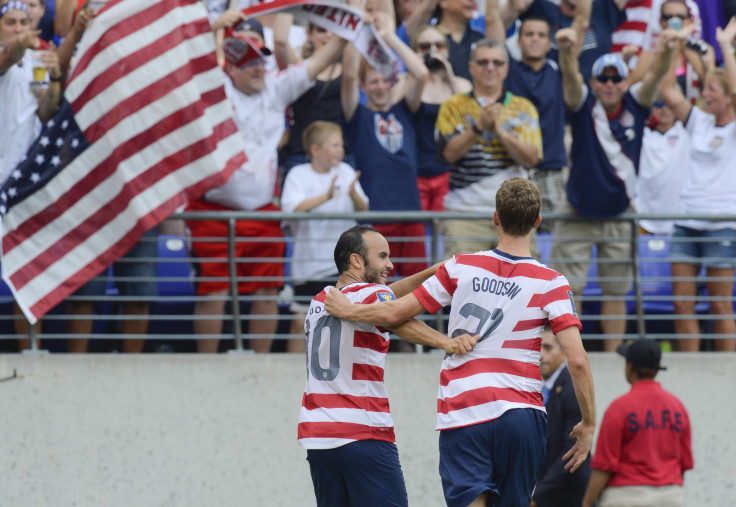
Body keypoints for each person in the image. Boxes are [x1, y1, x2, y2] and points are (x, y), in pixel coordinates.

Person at [325, 178, 596, 507]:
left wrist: (349, 309)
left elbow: (395, 313)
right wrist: (589, 422)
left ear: (495, 218)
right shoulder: (551, 282)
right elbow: (578, 360)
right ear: (538, 221)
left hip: (465, 408)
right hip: (522, 414)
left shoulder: (461, 266)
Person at [185, 16, 349, 353]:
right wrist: (215, 26)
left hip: (261, 210)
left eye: (260, 57)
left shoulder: (275, 85)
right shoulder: (212, 88)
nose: (257, 66)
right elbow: (181, 59)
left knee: (267, 290)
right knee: (213, 292)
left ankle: (261, 365)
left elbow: (319, 60)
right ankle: (205, 368)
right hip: (212, 208)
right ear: (229, 66)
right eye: (246, 61)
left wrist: (349, 28)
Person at [298, 225, 478, 507]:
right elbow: (395, 316)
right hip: (361, 430)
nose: (390, 264)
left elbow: (386, 296)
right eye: (382, 256)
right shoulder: (368, 297)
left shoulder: (321, 300)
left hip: (319, 436)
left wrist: (433, 271)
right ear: (357, 260)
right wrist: (446, 342)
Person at [549, 27, 679, 352]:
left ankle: (611, 356)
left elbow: (656, 76)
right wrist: (566, 51)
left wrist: (664, 51)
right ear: (594, 83)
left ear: (624, 82)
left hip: (620, 212)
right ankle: (567, 356)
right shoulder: (582, 105)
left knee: (616, 290)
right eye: (603, 79)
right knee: (566, 290)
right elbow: (568, 77)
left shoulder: (636, 103)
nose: (609, 84)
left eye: (616, 78)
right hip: (577, 208)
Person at [658, 17, 736, 352]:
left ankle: (727, 372)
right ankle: (691, 371)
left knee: (720, 305)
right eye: (704, 89)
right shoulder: (698, 121)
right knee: (682, 303)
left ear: (728, 97)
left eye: (711, 90)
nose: (704, 95)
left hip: (722, 225)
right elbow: (665, 90)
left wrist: (725, 48)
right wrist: (674, 46)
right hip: (686, 222)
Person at [486, 2, 589, 233]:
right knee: (511, 240)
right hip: (513, 169)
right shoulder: (506, 70)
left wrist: (567, 49)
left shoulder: (559, 68)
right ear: (519, 40)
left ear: (548, 41)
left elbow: (581, 23)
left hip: (552, 170)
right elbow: (493, 22)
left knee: (551, 246)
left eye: (541, 35)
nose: (534, 39)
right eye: (529, 34)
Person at [342, 10, 429, 281]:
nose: (380, 86)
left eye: (384, 80)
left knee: (415, 286)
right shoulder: (358, 116)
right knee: (379, 285)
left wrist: (390, 36)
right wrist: (358, 30)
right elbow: (347, 75)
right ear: (364, 87)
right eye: (373, 81)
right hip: (376, 216)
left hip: (410, 211)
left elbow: (421, 73)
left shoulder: (403, 110)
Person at [436, 38, 542, 258]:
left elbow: (532, 158)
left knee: (521, 286)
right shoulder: (453, 105)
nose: (490, 68)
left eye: (497, 62)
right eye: (483, 62)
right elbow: (448, 154)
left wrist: (501, 132)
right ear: (471, 66)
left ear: (506, 69)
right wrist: (478, 126)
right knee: (462, 285)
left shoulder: (523, 107)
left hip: (514, 213)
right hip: (465, 215)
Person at [1, 0, 61, 350]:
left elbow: (46, 110)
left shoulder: (37, 59)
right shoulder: (6, 56)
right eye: (10, 22)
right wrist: (16, 47)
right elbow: (5, 60)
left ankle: (30, 351)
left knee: (27, 275)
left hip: (25, 185)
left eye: (25, 21)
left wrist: (53, 76)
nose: (19, 27)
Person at [281, 121, 368, 353]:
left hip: (343, 267)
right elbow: (291, 209)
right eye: (334, 145)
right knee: (302, 323)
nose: (341, 150)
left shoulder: (347, 172)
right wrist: (327, 196)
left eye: (341, 145)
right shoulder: (298, 175)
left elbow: (364, 210)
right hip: (308, 266)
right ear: (315, 150)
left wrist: (352, 194)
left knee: (345, 324)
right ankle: (291, 375)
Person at [582, 338, 694, 507]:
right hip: (670, 496)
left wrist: (587, 502)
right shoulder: (677, 407)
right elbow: (684, 464)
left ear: (630, 367)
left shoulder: (619, 407)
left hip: (626, 496)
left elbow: (604, 466)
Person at [411, 25, 471, 212]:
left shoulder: (460, 84)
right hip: (416, 171)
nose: (433, 51)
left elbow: (470, 115)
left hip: (449, 172)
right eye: (425, 47)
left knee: (444, 233)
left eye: (439, 46)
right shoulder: (410, 82)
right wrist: (417, 70)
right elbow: (406, 106)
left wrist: (449, 75)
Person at [531, 327, 591, 507]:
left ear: (564, 353)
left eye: (548, 348)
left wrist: (537, 496)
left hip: (567, 493)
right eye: (537, 348)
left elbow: (570, 450)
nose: (541, 355)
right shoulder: (534, 386)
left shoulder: (573, 388)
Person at [634, 95, 690, 236]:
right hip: (642, 218)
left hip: (678, 220)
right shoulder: (640, 134)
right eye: (658, 104)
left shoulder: (688, 133)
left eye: (669, 104)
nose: (664, 109)